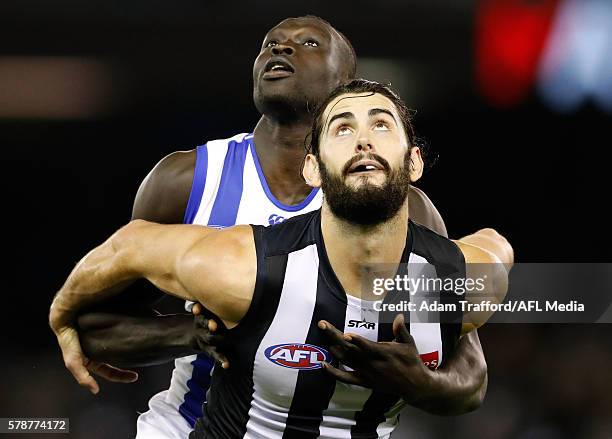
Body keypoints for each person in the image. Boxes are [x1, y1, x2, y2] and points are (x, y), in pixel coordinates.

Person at [75, 16, 488, 438]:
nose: (281, 49)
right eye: (270, 43)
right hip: (190, 428)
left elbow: (470, 375)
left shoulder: (399, 205)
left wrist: (421, 381)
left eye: (308, 43)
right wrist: (198, 334)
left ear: (346, 82)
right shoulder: (188, 179)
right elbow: (95, 330)